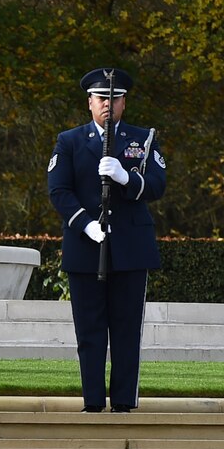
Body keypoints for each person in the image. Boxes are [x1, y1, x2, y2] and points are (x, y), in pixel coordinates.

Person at [46, 67, 166, 412]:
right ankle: (93, 404)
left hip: (130, 247)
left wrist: (126, 177)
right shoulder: (69, 141)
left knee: (127, 332)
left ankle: (125, 404)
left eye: (114, 99)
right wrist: (84, 224)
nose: (107, 105)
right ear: (89, 103)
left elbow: (157, 184)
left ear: (123, 103)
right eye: (101, 99)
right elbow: (59, 190)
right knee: (90, 332)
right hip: (85, 246)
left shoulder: (142, 139)